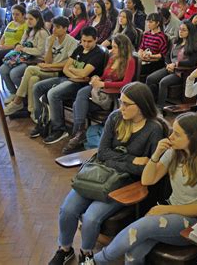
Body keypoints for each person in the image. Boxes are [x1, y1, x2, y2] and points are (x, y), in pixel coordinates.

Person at [48, 82, 166, 265]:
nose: (121, 107)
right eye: (121, 102)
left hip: (124, 184)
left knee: (91, 218)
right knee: (67, 210)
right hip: (98, 174)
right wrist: (131, 160)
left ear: (142, 105)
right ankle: (65, 249)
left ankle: (86, 253)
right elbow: (102, 153)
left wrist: (121, 161)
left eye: (127, 104)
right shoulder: (115, 117)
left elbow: (147, 168)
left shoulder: (154, 129)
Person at [92, 112, 197, 264]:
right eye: (172, 132)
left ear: (192, 138)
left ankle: (98, 261)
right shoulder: (175, 152)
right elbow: (148, 179)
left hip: (195, 224)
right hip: (172, 212)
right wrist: (156, 155)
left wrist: (166, 209)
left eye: (177, 134)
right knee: (133, 252)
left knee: (141, 228)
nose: (171, 137)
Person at [30, 27, 106, 144]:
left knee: (53, 94)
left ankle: (59, 129)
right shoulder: (79, 48)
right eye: (83, 40)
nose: (85, 44)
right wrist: (74, 73)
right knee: (37, 87)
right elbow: (66, 68)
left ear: (96, 40)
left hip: (80, 85)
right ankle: (41, 122)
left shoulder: (98, 53)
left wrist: (73, 73)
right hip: (68, 79)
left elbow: (84, 73)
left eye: (89, 41)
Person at [63, 34, 137, 154]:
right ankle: (79, 132)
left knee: (79, 101)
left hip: (113, 95)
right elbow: (104, 76)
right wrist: (97, 78)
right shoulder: (112, 57)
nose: (112, 50)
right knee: (80, 97)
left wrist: (103, 85)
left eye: (115, 47)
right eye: (112, 47)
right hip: (101, 91)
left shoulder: (130, 61)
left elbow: (126, 83)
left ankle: (78, 133)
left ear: (123, 48)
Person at [3, 16, 78, 118]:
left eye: (58, 27)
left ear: (65, 29)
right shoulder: (50, 39)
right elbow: (47, 60)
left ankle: (17, 101)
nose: (54, 29)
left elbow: (69, 63)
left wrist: (50, 66)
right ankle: (34, 113)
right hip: (48, 69)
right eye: (53, 27)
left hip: (59, 71)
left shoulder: (72, 42)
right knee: (33, 79)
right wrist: (50, 46)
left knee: (30, 69)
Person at [147, 20, 197, 107]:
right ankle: (151, 103)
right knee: (150, 78)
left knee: (163, 82)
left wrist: (175, 64)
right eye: (180, 29)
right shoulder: (175, 42)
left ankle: (160, 108)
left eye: (184, 30)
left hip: (181, 72)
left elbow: (191, 62)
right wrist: (168, 64)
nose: (181, 31)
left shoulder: (195, 45)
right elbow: (167, 55)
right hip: (170, 68)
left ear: (190, 31)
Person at [0, 9, 49, 103]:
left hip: (35, 60)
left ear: (38, 19)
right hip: (23, 57)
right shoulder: (28, 30)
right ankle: (13, 93)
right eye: (27, 19)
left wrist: (23, 49)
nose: (28, 21)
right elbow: (22, 43)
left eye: (31, 19)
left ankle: (25, 95)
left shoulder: (42, 32)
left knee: (14, 73)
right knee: (3, 69)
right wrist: (19, 45)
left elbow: (40, 51)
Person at [0, 5, 28, 72]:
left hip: (14, 49)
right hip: (4, 48)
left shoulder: (25, 25)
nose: (14, 16)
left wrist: (7, 47)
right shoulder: (11, 23)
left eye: (17, 14)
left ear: (23, 15)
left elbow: (23, 42)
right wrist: (0, 45)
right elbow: (4, 36)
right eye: (13, 14)